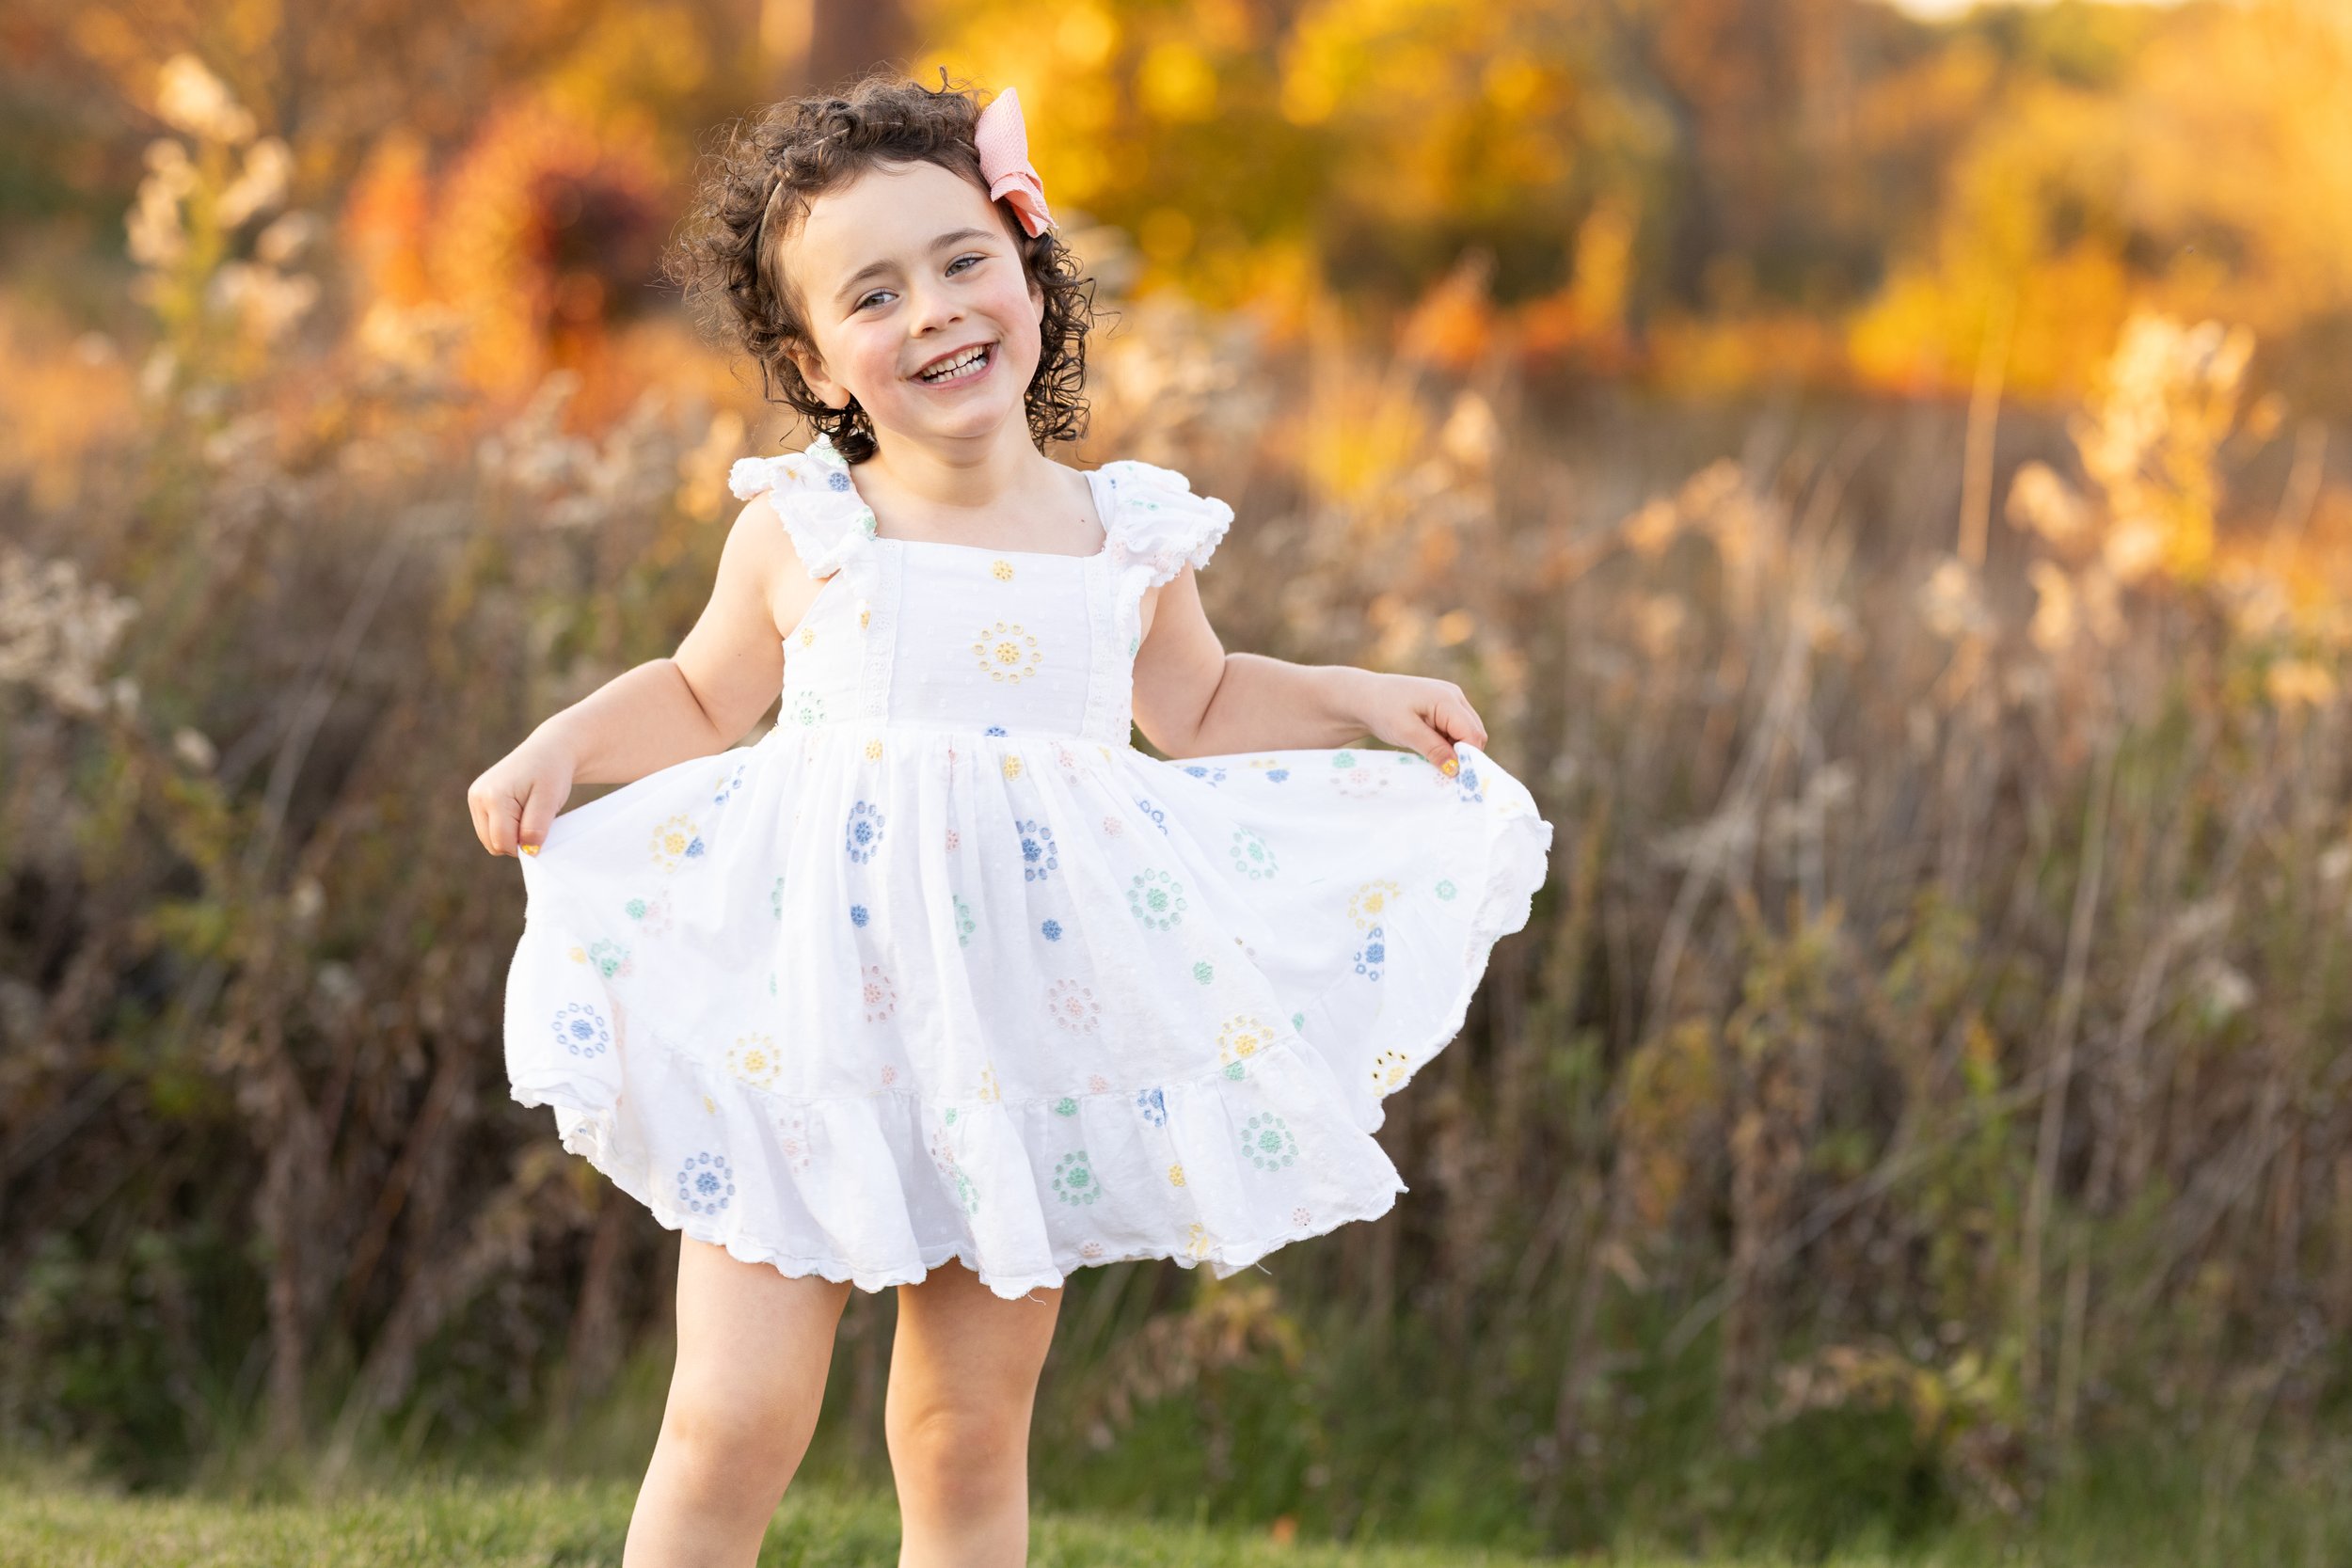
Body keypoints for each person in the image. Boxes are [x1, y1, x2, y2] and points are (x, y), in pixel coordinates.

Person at [467, 66, 1553, 1568]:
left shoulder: (1126, 534)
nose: (932, 309)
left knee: (965, 1431)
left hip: (1020, 1030)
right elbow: (707, 698)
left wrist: (1362, 695)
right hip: (805, 1023)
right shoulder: (806, 527)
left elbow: (1207, 706)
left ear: (1029, 270)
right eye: (873, 294)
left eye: (964, 258)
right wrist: (567, 743)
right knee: (733, 1414)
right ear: (818, 359)